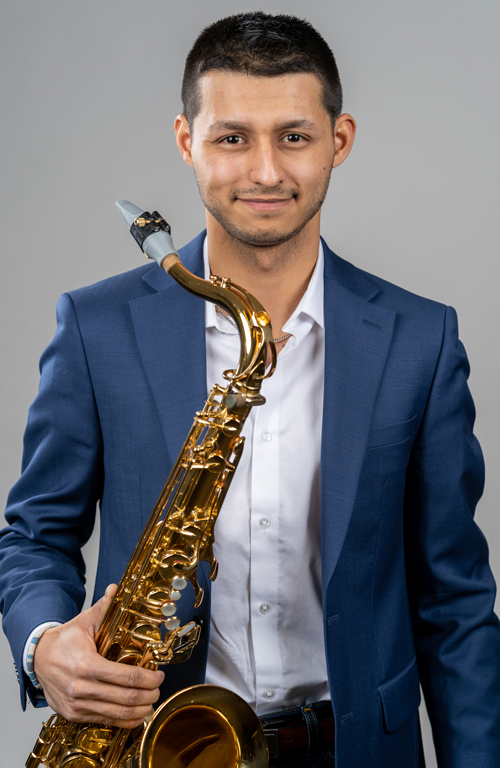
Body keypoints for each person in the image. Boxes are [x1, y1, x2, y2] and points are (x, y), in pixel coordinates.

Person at [1, 11, 499, 768]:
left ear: (341, 140)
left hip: (356, 748)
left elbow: (455, 604)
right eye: (232, 137)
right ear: (186, 141)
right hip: (156, 746)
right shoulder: (96, 327)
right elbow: (35, 535)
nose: (265, 171)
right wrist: (44, 647)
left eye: (293, 137)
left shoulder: (419, 340)